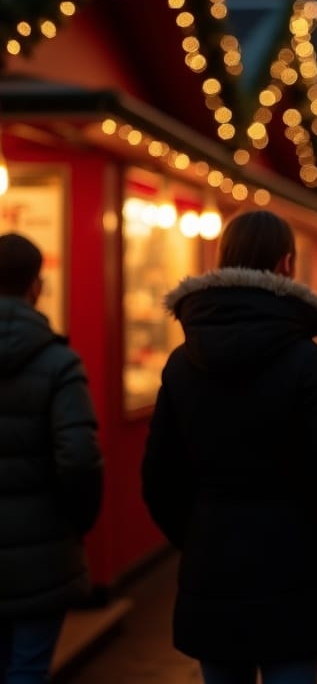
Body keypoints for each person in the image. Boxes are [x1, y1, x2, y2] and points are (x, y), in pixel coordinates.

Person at [142, 211, 317, 684]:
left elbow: (159, 476)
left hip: (213, 569)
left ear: (222, 260)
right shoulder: (309, 362)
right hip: (296, 569)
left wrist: (200, 534)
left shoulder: (183, 363)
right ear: (287, 264)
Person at [0, 233, 104, 683]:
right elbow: (79, 459)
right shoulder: (59, 362)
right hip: (43, 552)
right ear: (36, 286)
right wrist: (73, 523)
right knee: (27, 668)